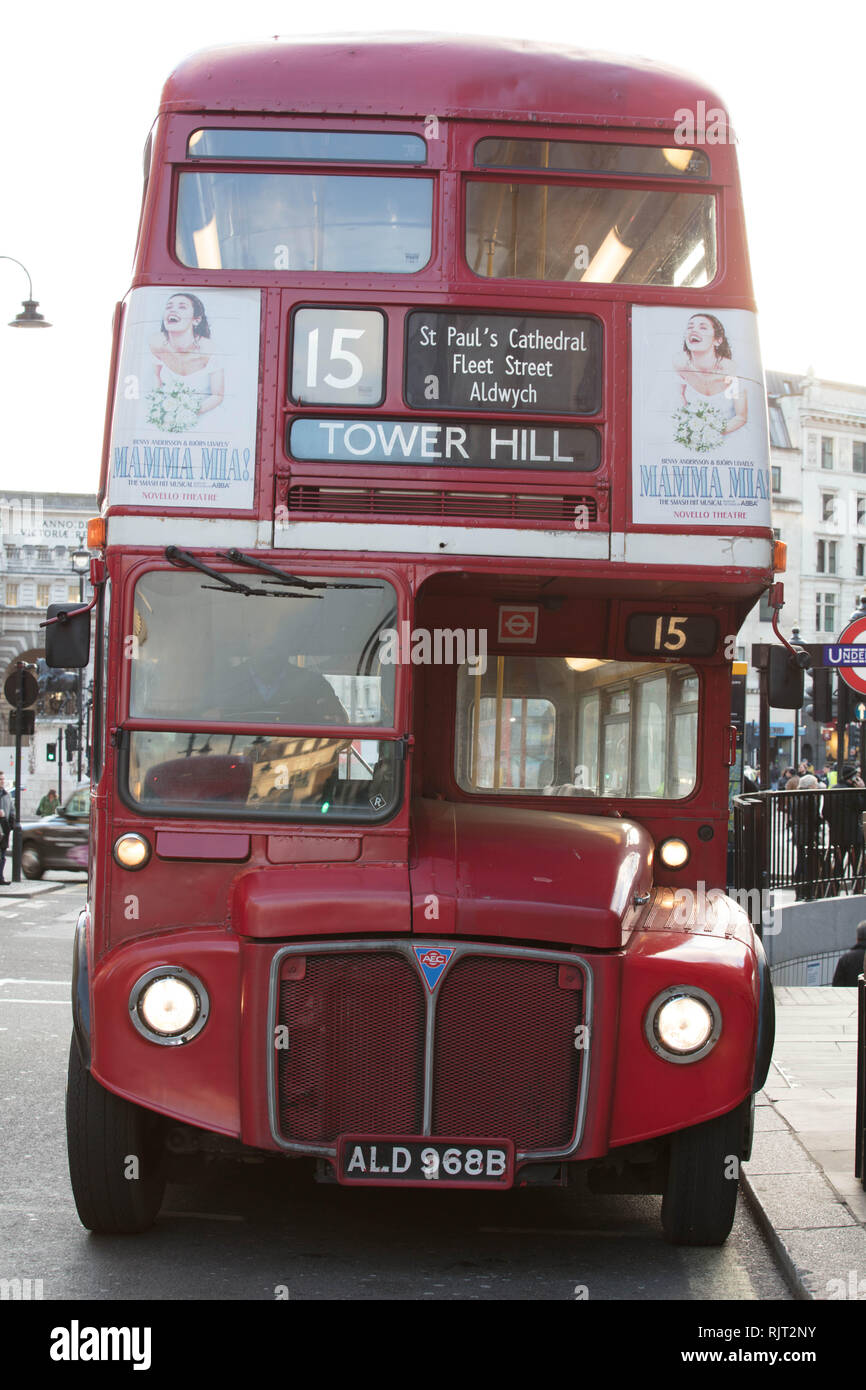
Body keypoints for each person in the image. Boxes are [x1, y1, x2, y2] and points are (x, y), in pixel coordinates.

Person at [149, 293, 224, 424]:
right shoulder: (156, 343)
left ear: (196, 320)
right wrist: (160, 406)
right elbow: (156, 376)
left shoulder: (209, 351)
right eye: (169, 307)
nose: (172, 310)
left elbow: (217, 395)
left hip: (207, 419)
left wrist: (186, 413)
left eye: (182, 307)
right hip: (168, 419)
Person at [674, 313, 748, 438]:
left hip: (731, 440)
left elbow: (741, 416)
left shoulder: (734, 371)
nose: (694, 331)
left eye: (702, 327)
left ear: (717, 340)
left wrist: (711, 433)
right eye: (690, 327)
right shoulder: (679, 366)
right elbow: (679, 403)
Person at [0, 772, 15, 885]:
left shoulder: (7, 795)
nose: (2, 781)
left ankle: (1, 877)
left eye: (3, 779)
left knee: (3, 856)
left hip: (4, 829)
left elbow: (12, 810)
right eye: (0, 779)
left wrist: (11, 825)